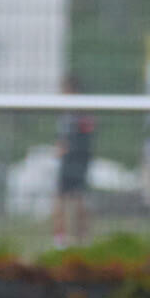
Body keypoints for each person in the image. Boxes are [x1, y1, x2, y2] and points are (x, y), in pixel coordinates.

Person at [53, 75, 95, 248]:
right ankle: (61, 240)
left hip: (77, 161)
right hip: (67, 161)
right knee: (61, 198)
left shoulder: (82, 112)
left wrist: (67, 147)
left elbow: (86, 136)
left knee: (76, 199)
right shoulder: (66, 112)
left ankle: (82, 238)